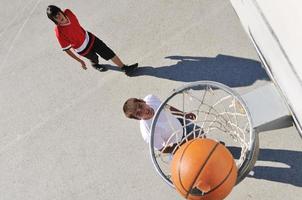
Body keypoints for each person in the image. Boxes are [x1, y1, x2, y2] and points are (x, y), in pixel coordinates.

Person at [46, 5, 138, 75]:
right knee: (94, 58)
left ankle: (125, 68)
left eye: (58, 14)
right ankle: (95, 64)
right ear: (54, 20)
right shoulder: (59, 32)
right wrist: (80, 61)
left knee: (107, 52)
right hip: (82, 49)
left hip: (90, 38)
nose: (59, 17)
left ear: (61, 11)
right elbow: (66, 49)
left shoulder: (68, 12)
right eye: (55, 17)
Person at [123, 94, 199, 153]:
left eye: (140, 106)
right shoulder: (148, 132)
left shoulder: (151, 98)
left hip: (180, 123)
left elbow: (166, 107)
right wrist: (184, 144)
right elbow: (162, 149)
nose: (143, 111)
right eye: (139, 113)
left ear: (143, 101)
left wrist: (183, 114)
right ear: (138, 119)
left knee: (200, 132)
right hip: (176, 143)